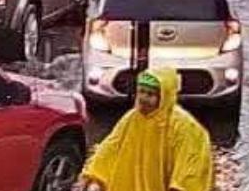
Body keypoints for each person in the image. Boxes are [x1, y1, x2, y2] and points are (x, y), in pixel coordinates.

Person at [78, 68, 214, 191]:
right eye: (141, 92)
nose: (143, 98)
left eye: (150, 94)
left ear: (164, 97)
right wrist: (95, 179)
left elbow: (190, 168)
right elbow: (111, 149)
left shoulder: (184, 126)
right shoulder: (132, 119)